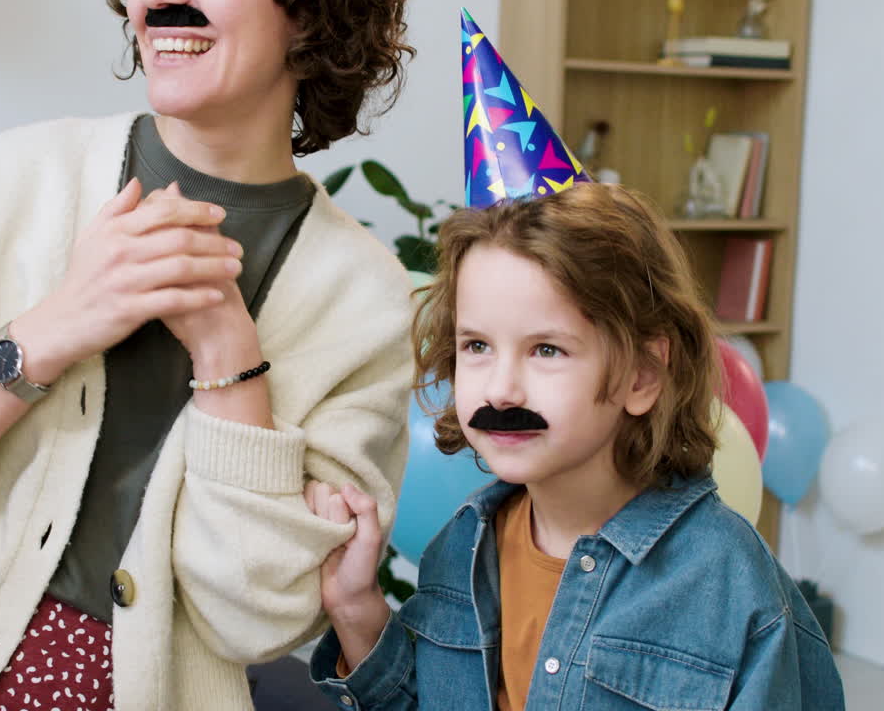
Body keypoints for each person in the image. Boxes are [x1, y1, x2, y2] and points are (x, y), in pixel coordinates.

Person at [0, 0, 415, 709]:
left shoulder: (365, 299)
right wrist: (50, 330)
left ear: (314, 10)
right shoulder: (15, 177)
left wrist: (231, 360)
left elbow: (258, 618)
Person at [305, 182, 846, 710]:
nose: (500, 388)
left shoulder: (729, 582)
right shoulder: (463, 547)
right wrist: (355, 607)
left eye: (546, 349)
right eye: (477, 345)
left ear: (642, 375)